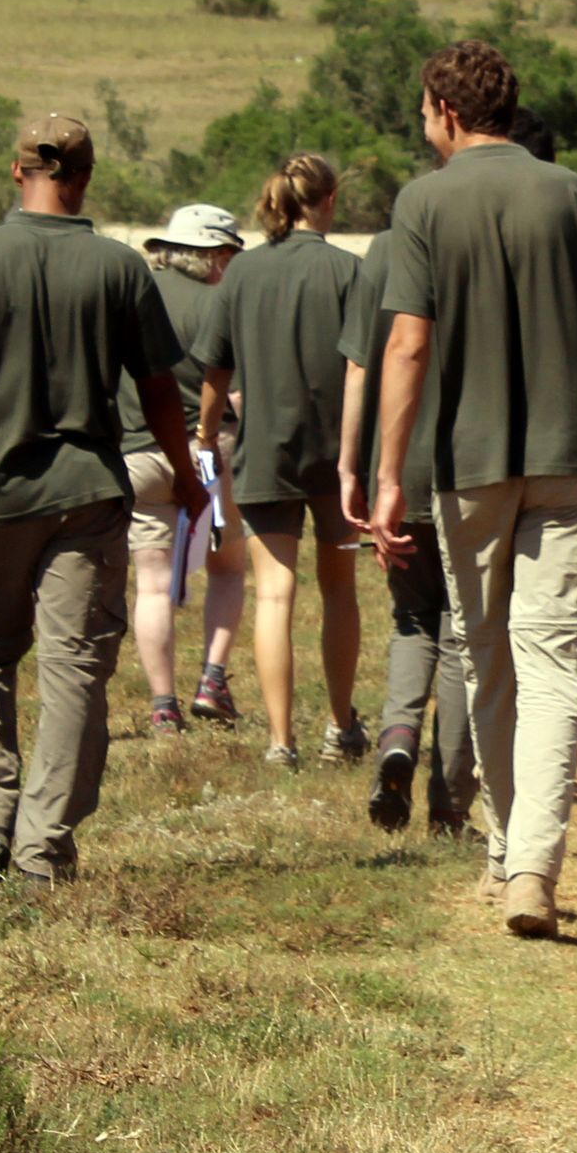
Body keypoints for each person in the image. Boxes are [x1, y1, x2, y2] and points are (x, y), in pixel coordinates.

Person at [371, 40, 577, 937]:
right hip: (567, 461)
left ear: (448, 114)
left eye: (425, 113)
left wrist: (388, 475)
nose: (425, 128)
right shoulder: (567, 191)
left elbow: (409, 346)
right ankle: (531, 859)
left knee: (488, 657)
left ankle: (510, 852)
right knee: (555, 662)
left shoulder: (423, 202)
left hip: (467, 466)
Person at [0, 114, 207, 882]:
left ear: (17, 173)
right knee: (74, 669)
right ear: (86, 177)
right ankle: (43, 845)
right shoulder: (117, 268)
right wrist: (187, 475)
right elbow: (160, 390)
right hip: (87, 496)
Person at [196, 155, 367, 770]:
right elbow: (364, 366)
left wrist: (206, 433)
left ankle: (279, 741)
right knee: (340, 587)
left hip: (265, 452)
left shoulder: (242, 275)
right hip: (338, 457)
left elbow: (214, 368)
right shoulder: (351, 271)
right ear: (328, 201)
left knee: (274, 595)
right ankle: (341, 727)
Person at [340, 213, 473, 837]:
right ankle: (448, 802)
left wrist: (352, 466)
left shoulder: (387, 248)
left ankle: (398, 736)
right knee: (459, 631)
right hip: (469, 466)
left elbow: (361, 368)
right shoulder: (482, 239)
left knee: (412, 617)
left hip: (397, 466)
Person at [142, 204, 249, 732]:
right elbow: (236, 391)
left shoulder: (136, 294)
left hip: (138, 452)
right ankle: (212, 679)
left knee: (151, 582)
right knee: (228, 568)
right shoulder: (219, 303)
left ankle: (163, 705)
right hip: (210, 451)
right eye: (228, 254)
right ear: (213, 255)